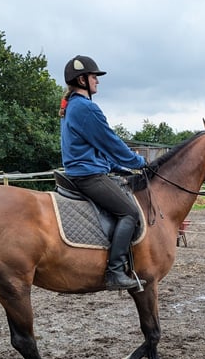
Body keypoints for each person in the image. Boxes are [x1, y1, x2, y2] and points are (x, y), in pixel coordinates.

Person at [59, 55, 147, 291]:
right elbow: (111, 142)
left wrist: (116, 167)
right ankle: (115, 271)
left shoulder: (73, 107)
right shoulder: (86, 108)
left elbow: (93, 147)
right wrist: (139, 161)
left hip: (84, 171)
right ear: (82, 80)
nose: (97, 81)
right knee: (129, 213)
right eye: (94, 77)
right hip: (88, 176)